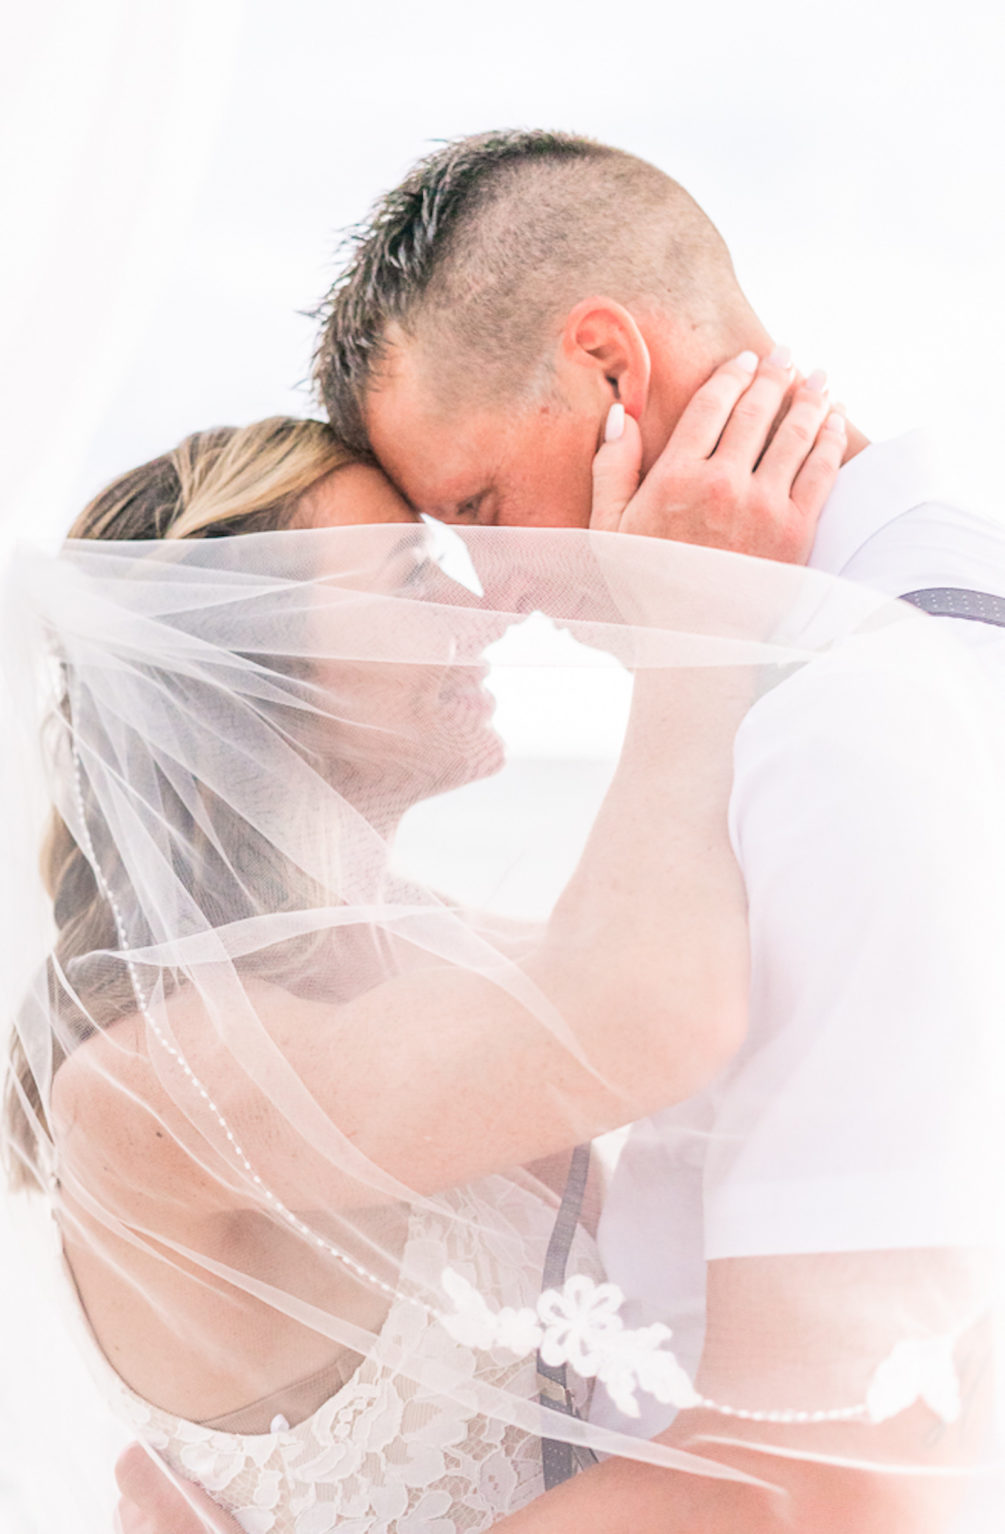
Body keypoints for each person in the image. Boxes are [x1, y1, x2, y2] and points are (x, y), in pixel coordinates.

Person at [3, 371, 915, 1534]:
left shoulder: (439, 950)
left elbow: (698, 968)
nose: (482, 606)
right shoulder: (141, 1086)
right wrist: (694, 619)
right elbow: (646, 1011)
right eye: (410, 573)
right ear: (253, 672)